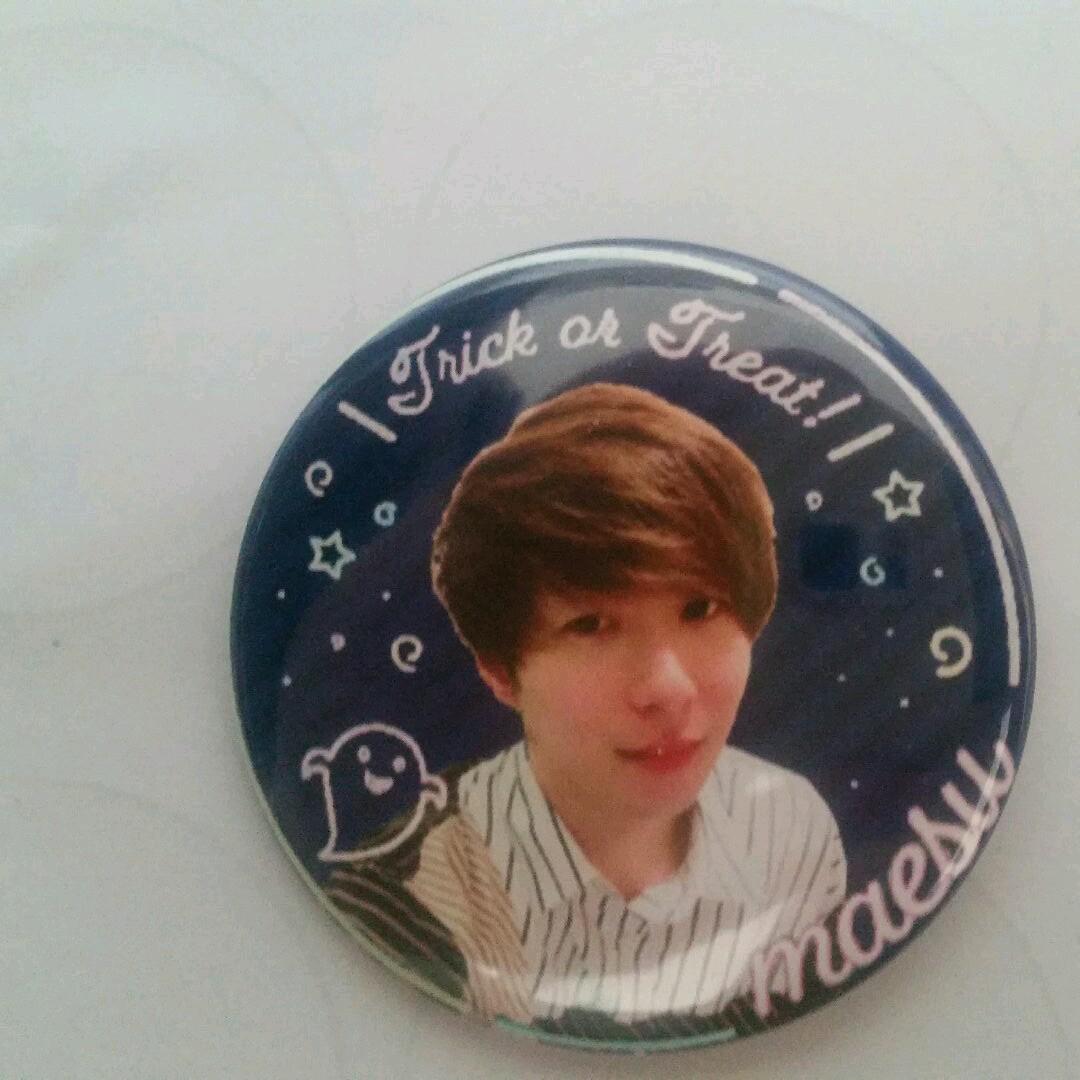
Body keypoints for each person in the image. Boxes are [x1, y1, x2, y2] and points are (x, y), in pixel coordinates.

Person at [323, 382, 846, 1042]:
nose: (668, 689)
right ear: (498, 669)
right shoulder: (409, 897)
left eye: (701, 609)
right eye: (592, 625)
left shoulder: (792, 830)